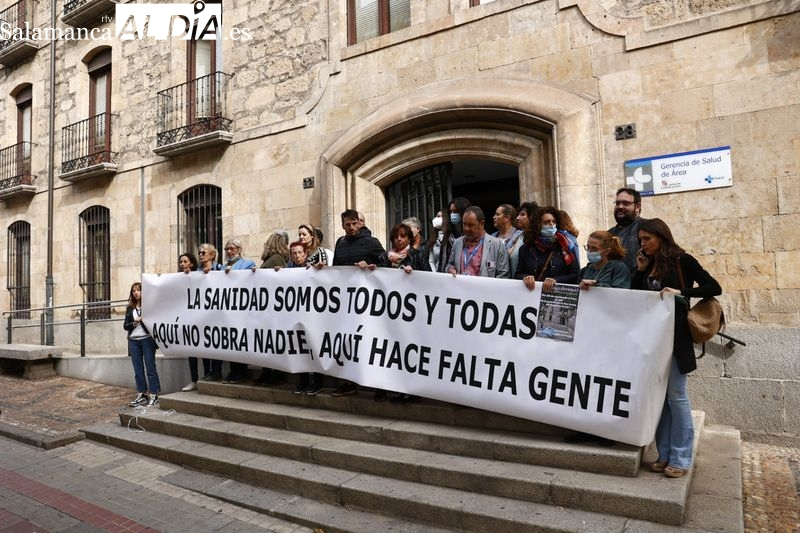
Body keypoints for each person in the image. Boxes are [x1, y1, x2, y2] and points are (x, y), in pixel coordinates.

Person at [632, 218, 721, 478]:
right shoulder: (648, 262)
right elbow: (639, 296)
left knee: (677, 396)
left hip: (676, 338)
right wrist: (640, 270)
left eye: (648, 238)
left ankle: (681, 458)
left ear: (661, 237)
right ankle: (664, 453)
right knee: (661, 400)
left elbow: (714, 287)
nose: (643, 244)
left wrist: (681, 291)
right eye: (641, 240)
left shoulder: (683, 260)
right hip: (652, 340)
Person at [563, 231, 631, 445]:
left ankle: (607, 432)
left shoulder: (618, 269)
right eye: (588, 247)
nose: (589, 252)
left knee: (605, 383)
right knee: (584, 382)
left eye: (593, 248)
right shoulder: (586, 270)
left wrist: (598, 287)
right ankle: (584, 427)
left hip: (610, 335)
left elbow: (622, 294)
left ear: (606, 250)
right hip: (587, 333)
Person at [329, 209, 386, 396]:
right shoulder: (340, 243)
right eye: (348, 224)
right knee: (347, 342)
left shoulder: (372, 242)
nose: (352, 227)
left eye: (355, 223)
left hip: (368, 304)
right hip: (346, 303)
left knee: (370, 341)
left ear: (359, 223)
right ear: (342, 225)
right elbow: (336, 268)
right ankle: (348, 382)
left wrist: (370, 267)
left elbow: (386, 267)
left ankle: (379, 386)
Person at [375, 223, 432, 404]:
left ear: (409, 238)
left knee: (410, 351)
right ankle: (398, 388)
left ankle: (412, 390)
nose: (400, 240)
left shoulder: (417, 256)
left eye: (403, 236)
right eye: (396, 237)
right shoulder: (384, 257)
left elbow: (429, 278)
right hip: (390, 314)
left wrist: (414, 274)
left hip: (411, 314)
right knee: (395, 352)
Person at [283, 241, 326, 396]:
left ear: (306, 254)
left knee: (313, 347)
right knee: (299, 348)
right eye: (294, 253)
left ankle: (318, 382)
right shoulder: (287, 271)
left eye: (300, 252)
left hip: (312, 316)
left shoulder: (314, 269)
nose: (297, 256)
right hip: (295, 315)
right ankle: (303, 381)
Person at [253, 234, 291, 386]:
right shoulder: (275, 259)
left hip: (271, 308)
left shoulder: (274, 260)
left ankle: (272, 373)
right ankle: (269, 372)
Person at [515, 206, 579, 292]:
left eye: (554, 221)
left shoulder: (565, 245)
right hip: (533, 295)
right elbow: (518, 274)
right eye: (547, 222)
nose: (551, 224)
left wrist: (556, 280)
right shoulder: (526, 248)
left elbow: (575, 274)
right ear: (538, 225)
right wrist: (525, 277)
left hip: (557, 296)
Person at [221, 238, 257, 384]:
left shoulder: (248, 264)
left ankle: (241, 372)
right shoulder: (222, 267)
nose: (229, 251)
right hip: (227, 310)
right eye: (227, 249)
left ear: (239, 250)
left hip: (242, 310)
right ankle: (233, 370)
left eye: (232, 248)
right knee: (230, 342)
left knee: (240, 341)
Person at [123, 282, 161, 407]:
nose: (136, 293)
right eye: (134, 291)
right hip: (133, 341)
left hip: (147, 340)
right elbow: (125, 326)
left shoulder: (149, 305)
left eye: (139, 290)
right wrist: (135, 323)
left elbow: (156, 321)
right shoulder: (130, 308)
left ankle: (154, 394)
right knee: (138, 370)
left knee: (150, 368)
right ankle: (142, 394)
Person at [445, 206, 510, 278]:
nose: (466, 229)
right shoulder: (457, 243)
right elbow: (450, 265)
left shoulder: (497, 245)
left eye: (471, 225)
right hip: (461, 288)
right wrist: (450, 269)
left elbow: (503, 276)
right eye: (464, 224)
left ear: (482, 224)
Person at [178, 252, 209, 392]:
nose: (182, 264)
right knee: (191, 350)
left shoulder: (198, 274)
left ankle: (208, 375)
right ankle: (194, 379)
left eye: (185, 261)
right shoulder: (178, 278)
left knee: (205, 348)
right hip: (188, 319)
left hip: (202, 317)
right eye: (181, 262)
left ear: (191, 263)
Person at [197, 243, 224, 381]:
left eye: (204, 253)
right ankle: (208, 371)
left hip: (218, 314)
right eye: (200, 253)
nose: (201, 255)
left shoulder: (221, 269)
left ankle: (217, 371)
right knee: (204, 344)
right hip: (202, 315)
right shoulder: (196, 272)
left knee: (217, 342)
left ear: (212, 255)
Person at [609, 188, 646, 273]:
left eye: (626, 203)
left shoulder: (647, 228)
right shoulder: (609, 233)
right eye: (617, 203)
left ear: (637, 207)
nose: (620, 206)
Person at [491, 204, 524, 277]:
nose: (494, 217)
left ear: (507, 218)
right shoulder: (492, 237)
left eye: (497, 214)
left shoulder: (520, 236)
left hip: (512, 278)